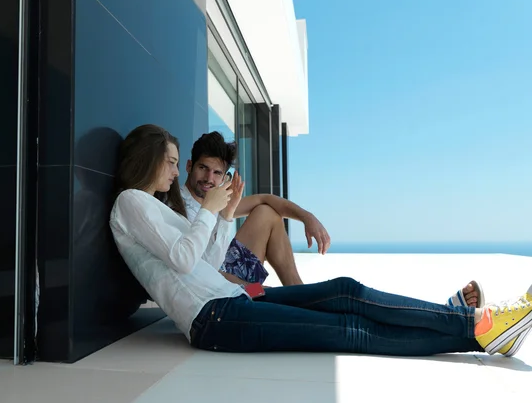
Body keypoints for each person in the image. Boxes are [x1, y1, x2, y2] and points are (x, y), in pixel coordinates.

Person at [110, 124, 532, 358]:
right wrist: (212, 212)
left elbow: (206, 257)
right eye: (170, 162)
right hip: (214, 319)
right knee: (349, 330)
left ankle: (470, 326)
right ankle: (480, 328)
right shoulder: (131, 202)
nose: (172, 173)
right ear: (150, 160)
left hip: (232, 300)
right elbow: (185, 262)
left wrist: (221, 216)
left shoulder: (153, 206)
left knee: (347, 291)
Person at [181, 131, 485, 309]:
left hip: (230, 267)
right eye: (204, 169)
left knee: (266, 212)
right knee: (341, 299)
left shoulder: (220, 198)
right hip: (220, 283)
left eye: (217, 173)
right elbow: (190, 264)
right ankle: (446, 312)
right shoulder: (175, 206)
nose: (209, 179)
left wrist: (307, 217)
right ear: (188, 166)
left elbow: (265, 200)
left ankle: (299, 292)